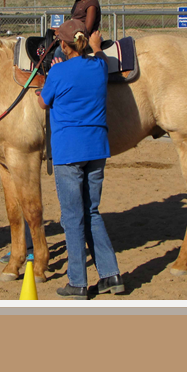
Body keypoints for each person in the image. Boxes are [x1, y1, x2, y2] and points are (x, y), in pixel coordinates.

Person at [37, 21, 125, 299]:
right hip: (97, 148)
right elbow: (96, 57)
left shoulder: (59, 71)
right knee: (92, 212)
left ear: (63, 45)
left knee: (72, 216)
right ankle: (111, 275)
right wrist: (97, 49)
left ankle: (77, 281)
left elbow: (43, 102)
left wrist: (50, 77)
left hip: (68, 151)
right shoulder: (98, 67)